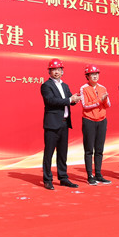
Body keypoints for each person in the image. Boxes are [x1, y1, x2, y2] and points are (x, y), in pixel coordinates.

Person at [40, 58, 80, 190]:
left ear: (62, 71)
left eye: (58, 69)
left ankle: (63, 178)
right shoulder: (46, 86)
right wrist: (69, 99)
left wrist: (75, 99)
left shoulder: (65, 86)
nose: (56, 72)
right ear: (49, 72)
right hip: (52, 124)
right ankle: (47, 179)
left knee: (63, 153)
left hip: (64, 123)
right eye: (53, 70)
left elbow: (69, 101)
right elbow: (51, 101)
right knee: (49, 153)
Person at [79, 64, 111, 185]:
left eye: (96, 74)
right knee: (89, 150)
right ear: (87, 76)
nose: (95, 76)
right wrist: (99, 100)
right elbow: (85, 105)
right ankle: (90, 175)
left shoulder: (103, 88)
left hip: (102, 120)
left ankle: (98, 174)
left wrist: (105, 100)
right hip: (89, 121)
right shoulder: (83, 88)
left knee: (99, 149)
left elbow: (108, 105)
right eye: (92, 74)